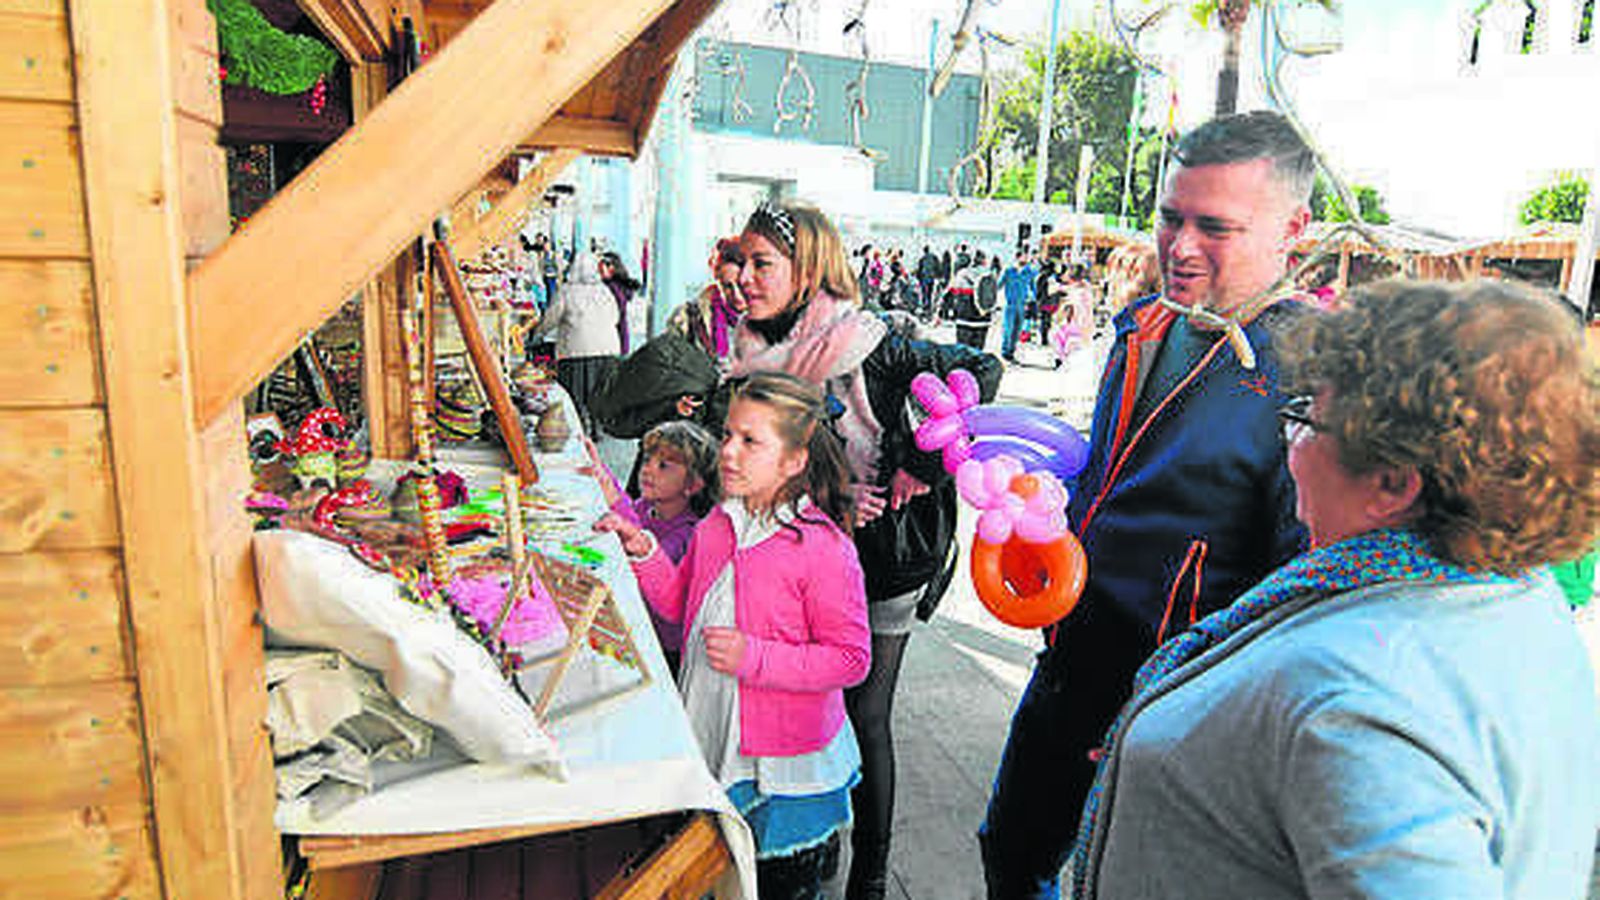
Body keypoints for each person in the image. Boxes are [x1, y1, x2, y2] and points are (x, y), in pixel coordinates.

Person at [1072, 278, 1600, 899]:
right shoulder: (1513, 593)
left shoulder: (1361, 706)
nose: (1289, 443)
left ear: (1393, 481)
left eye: (1306, 418)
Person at [980, 110, 1315, 899]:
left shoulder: (1311, 370)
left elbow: (1301, 591)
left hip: (1177, 697)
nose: (1181, 246)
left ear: (1292, 228)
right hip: (1071, 658)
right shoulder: (1146, 323)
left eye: (1215, 227)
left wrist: (1197, 724)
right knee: (1010, 851)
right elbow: (1112, 479)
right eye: (1170, 218)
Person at [728, 200, 1002, 900]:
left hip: (887, 554)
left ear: (809, 267)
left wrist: (919, 460)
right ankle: (813, 843)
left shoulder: (870, 341)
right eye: (743, 262)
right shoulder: (754, 348)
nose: (746, 278)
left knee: (864, 711)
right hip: (809, 548)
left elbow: (982, 370)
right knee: (806, 700)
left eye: (763, 264)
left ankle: (871, 876)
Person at [597, 371, 871, 900]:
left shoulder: (823, 549)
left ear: (794, 461)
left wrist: (758, 657)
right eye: (727, 435)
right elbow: (681, 605)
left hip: (785, 773)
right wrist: (645, 550)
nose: (729, 452)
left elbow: (851, 658)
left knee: (778, 885)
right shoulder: (718, 523)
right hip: (717, 734)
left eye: (751, 441)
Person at [587, 420, 719, 674]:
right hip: (642, 624)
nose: (647, 469)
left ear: (692, 485)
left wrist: (610, 492)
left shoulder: (688, 534)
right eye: (647, 460)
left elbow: (643, 544)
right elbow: (628, 512)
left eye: (664, 466)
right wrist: (604, 479)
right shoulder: (646, 508)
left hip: (665, 647)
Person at [526, 251, 620, 437]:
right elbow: (615, 317)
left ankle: (580, 428)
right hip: (607, 349)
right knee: (599, 391)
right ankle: (597, 426)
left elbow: (551, 318)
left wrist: (536, 334)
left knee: (574, 394)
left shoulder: (567, 291)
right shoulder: (604, 291)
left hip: (576, 350)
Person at [671, 237, 746, 363]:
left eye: (741, 285)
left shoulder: (773, 320)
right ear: (717, 278)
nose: (737, 295)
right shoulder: (687, 318)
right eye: (727, 286)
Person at [947, 251, 996, 351]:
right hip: (983, 320)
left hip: (964, 320)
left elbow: (950, 295)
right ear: (983, 261)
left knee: (962, 352)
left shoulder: (961, 274)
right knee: (978, 352)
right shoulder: (989, 274)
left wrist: (942, 313)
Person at [598, 250, 642, 356]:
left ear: (611, 268)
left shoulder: (611, 287)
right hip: (621, 336)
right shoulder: (622, 287)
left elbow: (618, 310)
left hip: (612, 337)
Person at [999, 251, 1036, 362]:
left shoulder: (1029, 272)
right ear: (1018, 257)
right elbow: (998, 285)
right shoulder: (1009, 271)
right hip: (1010, 304)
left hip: (1022, 305)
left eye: (1027, 256)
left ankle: (1011, 352)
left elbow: (1033, 288)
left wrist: (1031, 301)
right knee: (1008, 329)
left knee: (1017, 330)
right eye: (1024, 256)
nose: (1026, 259)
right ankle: (1005, 351)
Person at [916, 245, 941, 316]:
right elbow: (938, 266)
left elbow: (919, 269)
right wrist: (938, 275)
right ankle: (929, 306)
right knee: (930, 292)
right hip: (931, 277)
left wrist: (918, 277)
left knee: (924, 292)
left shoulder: (922, 259)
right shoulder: (934, 257)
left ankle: (925, 306)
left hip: (924, 277)